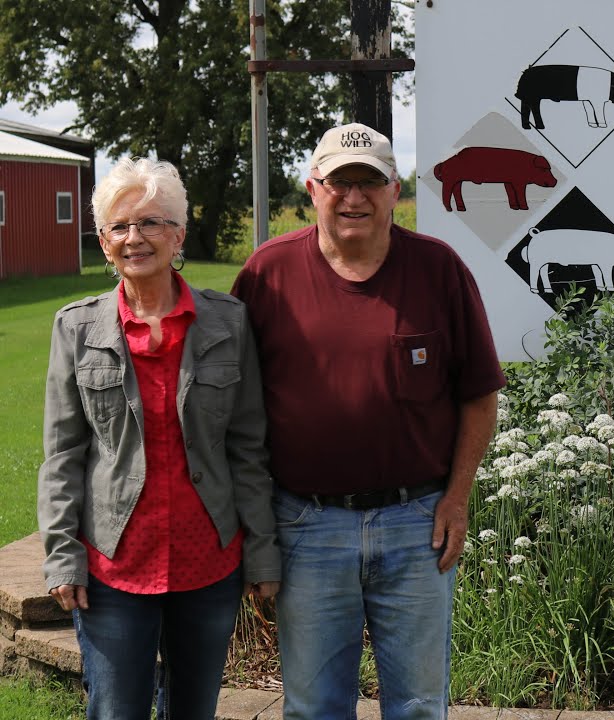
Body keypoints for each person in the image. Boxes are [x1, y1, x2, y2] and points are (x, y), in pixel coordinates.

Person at [231, 122, 506, 720]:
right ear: (313, 188)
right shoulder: (267, 276)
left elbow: (479, 396)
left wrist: (456, 499)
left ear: (395, 191)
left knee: (417, 707)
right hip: (306, 525)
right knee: (314, 707)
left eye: (370, 182)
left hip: (416, 525)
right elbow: (238, 414)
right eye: (339, 182)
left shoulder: (439, 270)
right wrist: (255, 530)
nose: (353, 197)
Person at [38, 157, 280, 720]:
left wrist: (263, 549)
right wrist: (61, 556)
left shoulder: (230, 323)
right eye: (119, 227)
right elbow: (62, 455)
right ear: (102, 242)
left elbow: (249, 448)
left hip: (209, 563)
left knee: (194, 711)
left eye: (150, 223)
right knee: (117, 710)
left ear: (178, 234)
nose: (134, 238)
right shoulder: (76, 328)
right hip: (114, 565)